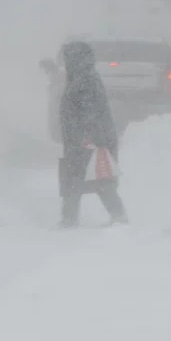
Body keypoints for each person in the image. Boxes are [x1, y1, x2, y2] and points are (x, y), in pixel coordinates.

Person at [58, 40, 128, 227]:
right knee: (84, 180)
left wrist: (89, 136)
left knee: (94, 179)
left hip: (89, 140)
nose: (65, 62)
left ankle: (71, 219)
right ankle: (71, 218)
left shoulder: (85, 80)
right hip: (84, 139)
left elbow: (90, 110)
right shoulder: (83, 77)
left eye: (67, 58)